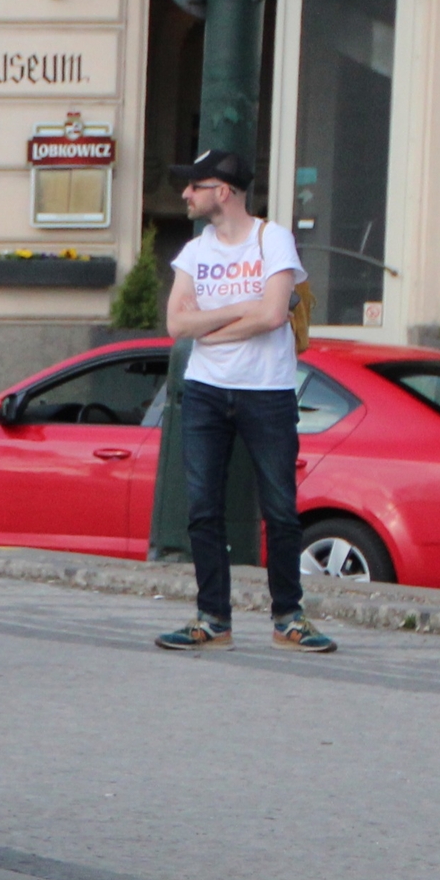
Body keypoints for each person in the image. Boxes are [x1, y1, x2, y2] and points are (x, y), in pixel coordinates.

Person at [154, 148, 334, 656]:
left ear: (224, 192)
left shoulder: (271, 239)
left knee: (279, 509)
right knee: (201, 508)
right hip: (207, 392)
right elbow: (176, 326)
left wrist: (208, 325)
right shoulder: (194, 251)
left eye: (195, 185)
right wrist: (239, 309)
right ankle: (213, 618)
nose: (186, 195)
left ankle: (288, 618)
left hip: (267, 393)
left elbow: (275, 315)